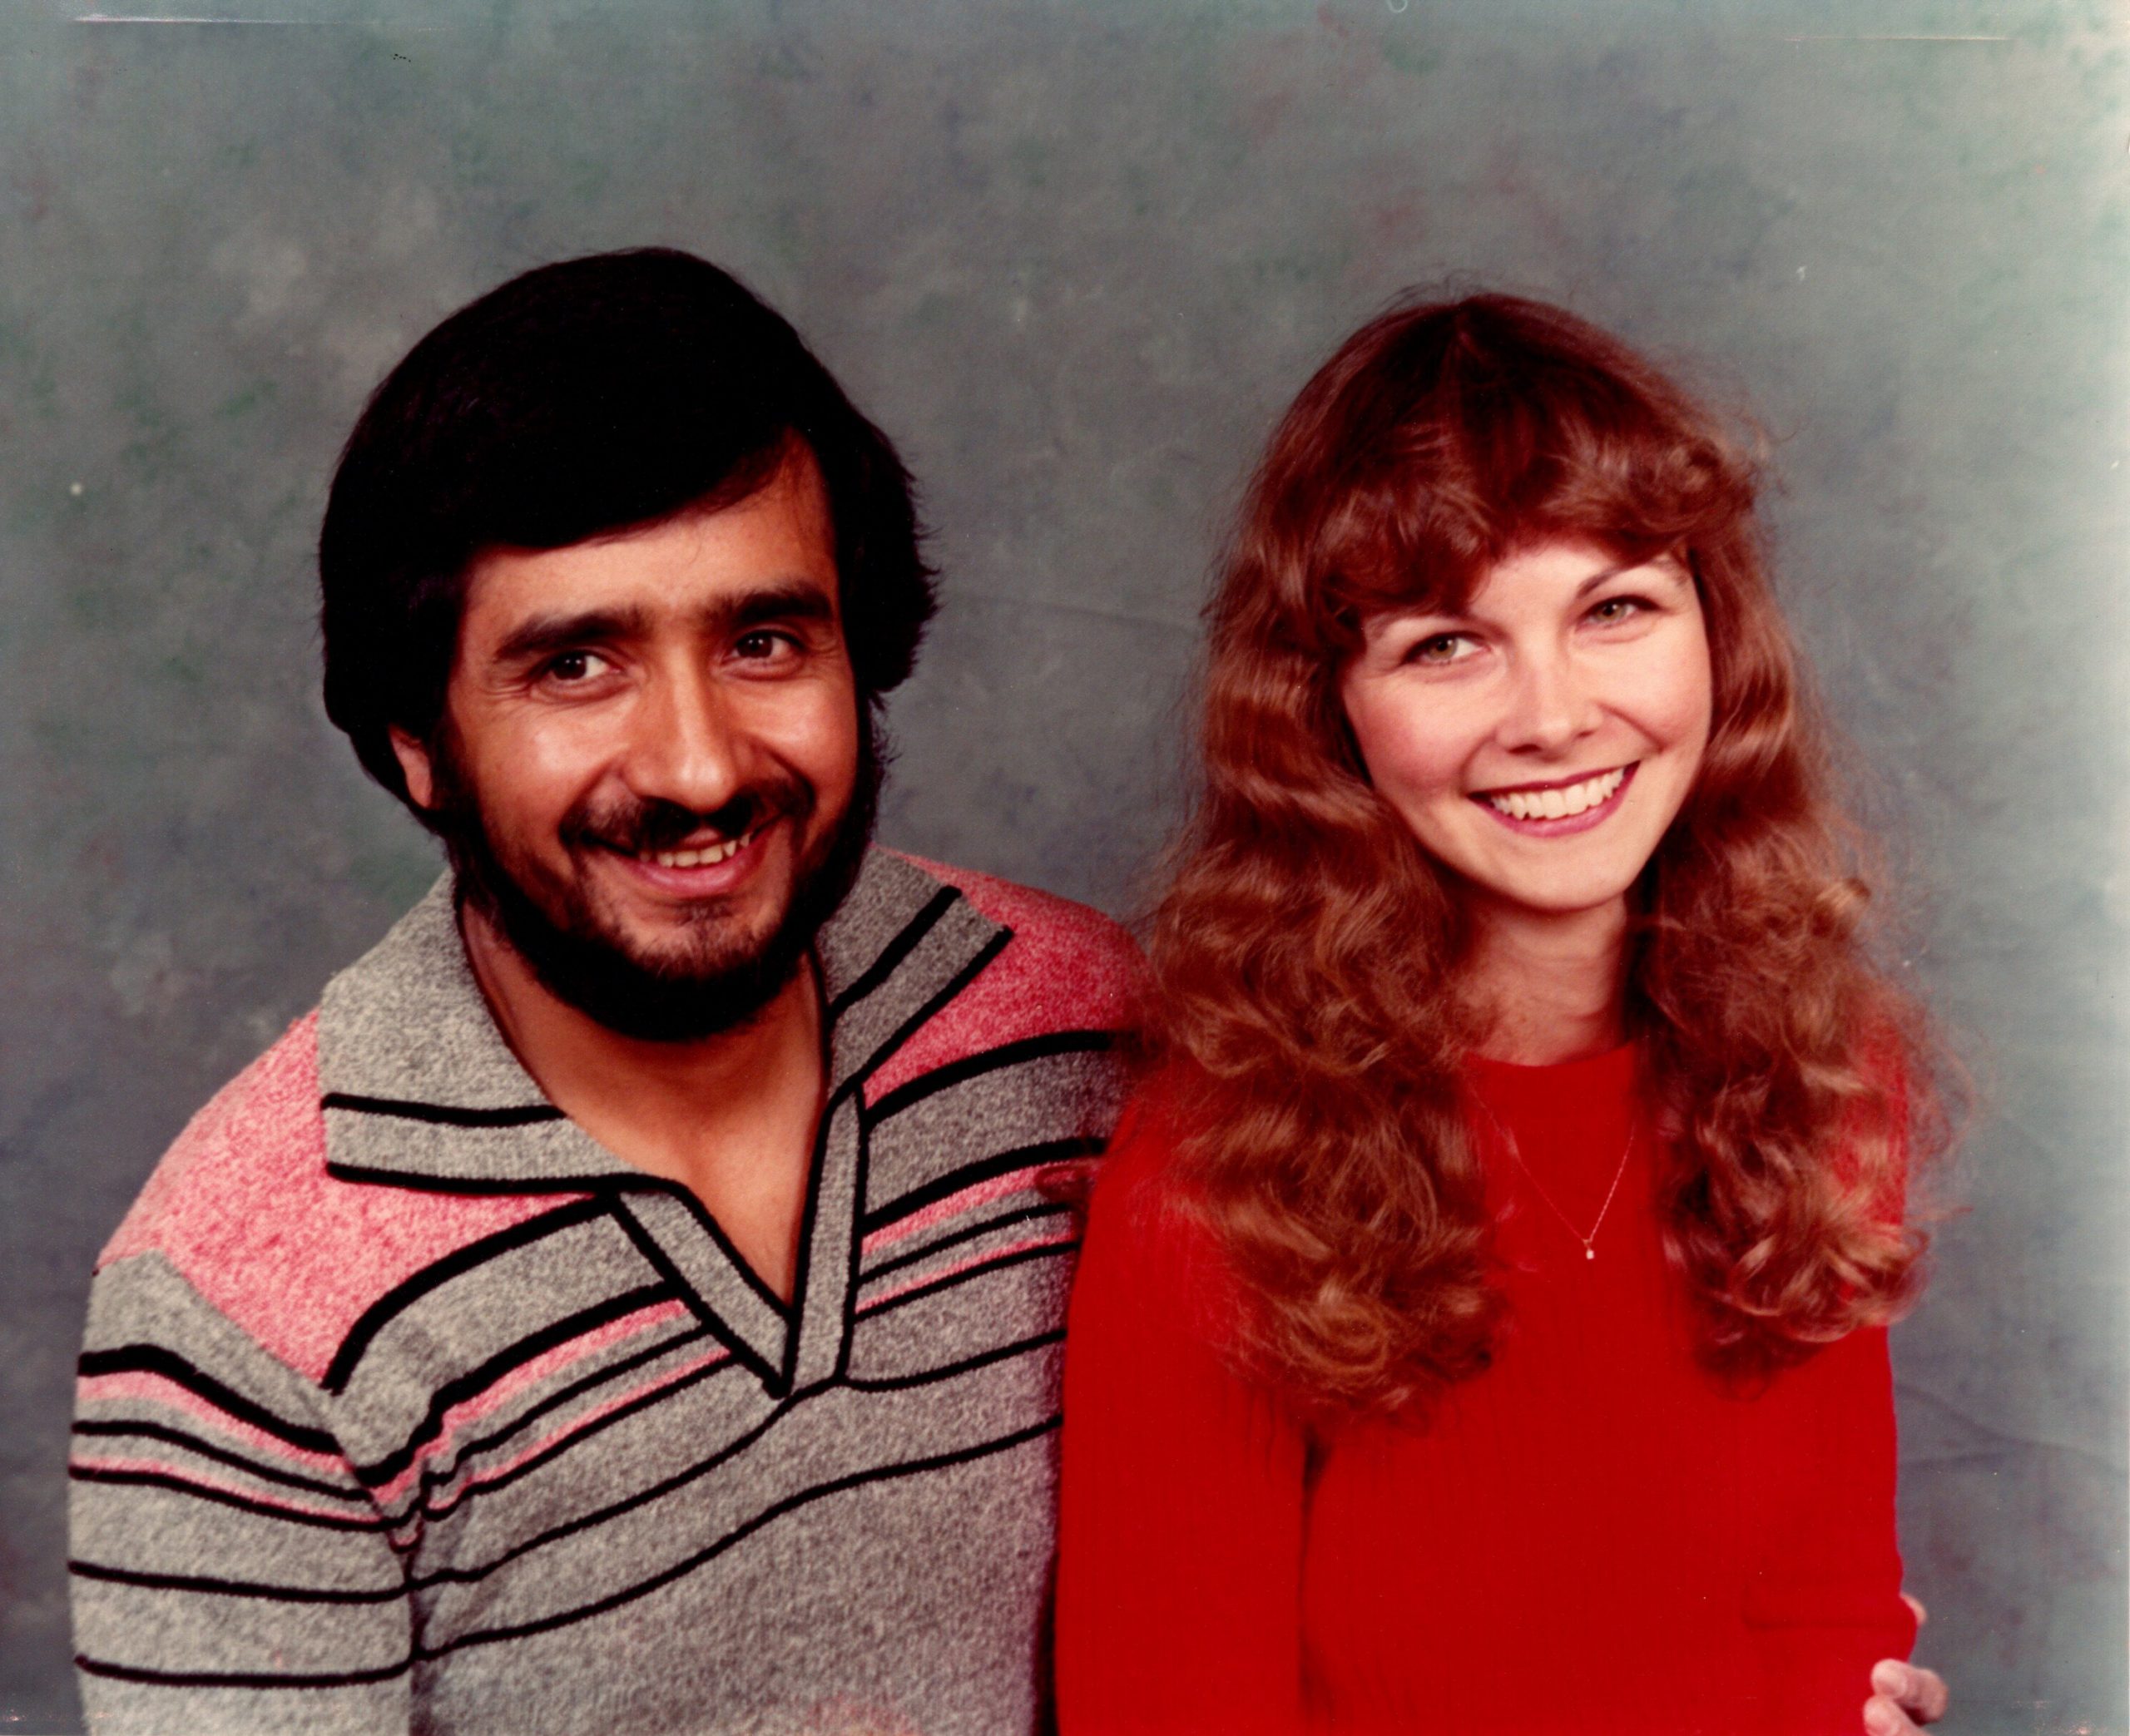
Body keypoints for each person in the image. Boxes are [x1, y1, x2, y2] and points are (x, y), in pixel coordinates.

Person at [68, 248, 1141, 1734]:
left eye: (763, 642)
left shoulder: (1091, 1038)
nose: (698, 767)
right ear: (418, 742)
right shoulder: (250, 1306)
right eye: (576, 665)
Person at [1055, 294, 1954, 1735]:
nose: (1552, 715)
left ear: (1716, 635)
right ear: (1331, 713)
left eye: (1615, 610)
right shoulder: (1221, 1174)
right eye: (1445, 645)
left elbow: (1829, 1603)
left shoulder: (1829, 1072)